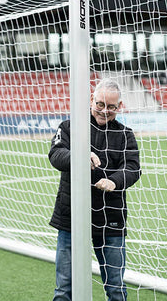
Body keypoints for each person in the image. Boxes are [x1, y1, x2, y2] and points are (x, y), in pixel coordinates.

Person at [49, 78, 141, 301]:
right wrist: (79, 157)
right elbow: (55, 155)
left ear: (119, 107)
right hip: (72, 216)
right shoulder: (70, 127)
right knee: (64, 291)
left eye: (111, 107)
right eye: (100, 104)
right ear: (91, 100)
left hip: (111, 217)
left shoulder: (125, 134)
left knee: (116, 290)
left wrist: (114, 181)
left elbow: (133, 167)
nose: (104, 111)